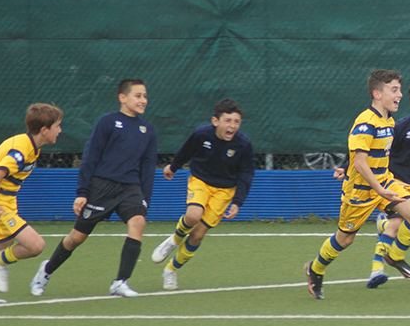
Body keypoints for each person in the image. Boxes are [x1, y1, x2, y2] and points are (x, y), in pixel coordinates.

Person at [30, 79, 158, 298]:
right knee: (76, 238)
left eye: (145, 96)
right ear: (122, 98)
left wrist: (145, 198)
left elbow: (148, 167)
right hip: (102, 187)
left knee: (138, 223)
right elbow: (90, 156)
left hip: (130, 188)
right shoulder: (107, 122)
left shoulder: (148, 130)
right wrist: (82, 192)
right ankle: (47, 270)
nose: (143, 100)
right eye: (138, 96)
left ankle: (120, 282)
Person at [305, 69, 410, 299]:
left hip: (384, 182)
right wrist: (377, 188)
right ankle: (316, 269)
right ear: (377, 94)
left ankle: (393, 256)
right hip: (360, 191)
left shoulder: (389, 120)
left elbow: (367, 154)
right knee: (345, 239)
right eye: (394, 90)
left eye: (400, 90)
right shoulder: (365, 122)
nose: (400, 95)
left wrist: (379, 185)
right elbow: (360, 163)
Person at [336, 82, 410, 284]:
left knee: (406, 224)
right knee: (394, 226)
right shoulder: (400, 126)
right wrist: (346, 165)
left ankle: (385, 235)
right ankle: (377, 269)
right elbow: (371, 149)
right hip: (397, 183)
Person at [0, 104, 64, 306]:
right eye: (57, 126)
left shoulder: (31, 146)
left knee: (3, 244)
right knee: (36, 246)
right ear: (44, 130)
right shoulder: (21, 150)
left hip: (6, 202)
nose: (60, 130)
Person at [150, 99, 255, 290]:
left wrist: (237, 202)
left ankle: (171, 270)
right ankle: (174, 240)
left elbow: (246, 174)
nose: (232, 126)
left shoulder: (243, 144)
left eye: (236, 122)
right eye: (228, 121)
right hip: (200, 180)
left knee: (198, 234)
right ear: (215, 121)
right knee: (193, 215)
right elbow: (186, 151)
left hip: (224, 191)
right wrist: (173, 167)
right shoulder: (202, 134)